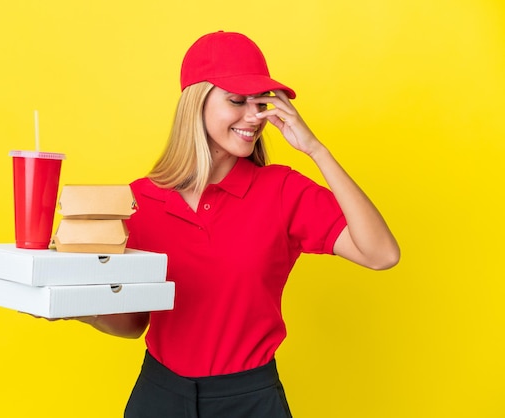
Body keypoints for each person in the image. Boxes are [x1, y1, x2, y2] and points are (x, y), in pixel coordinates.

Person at [77, 31, 400, 418]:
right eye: (237, 101)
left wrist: (315, 149)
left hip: (249, 400)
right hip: (158, 396)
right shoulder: (139, 200)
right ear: (196, 104)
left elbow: (382, 254)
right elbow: (132, 324)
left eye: (260, 103)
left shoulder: (282, 191)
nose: (255, 117)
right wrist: (71, 306)